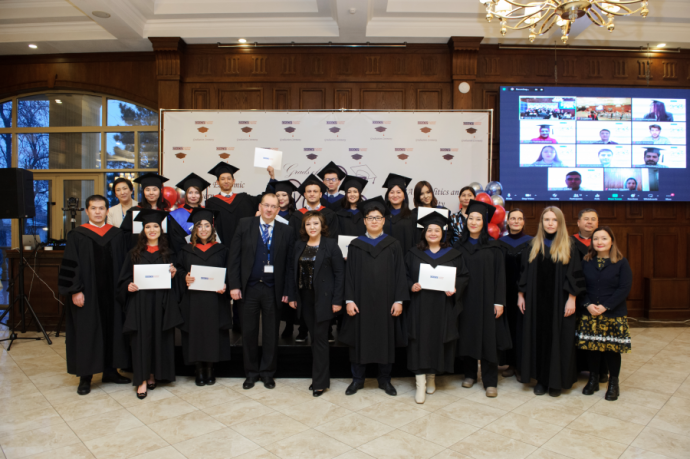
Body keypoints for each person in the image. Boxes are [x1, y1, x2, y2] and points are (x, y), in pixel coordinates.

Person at [58, 195, 131, 395]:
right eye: (93, 208)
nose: (98, 212)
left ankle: (111, 371)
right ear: (87, 211)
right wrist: (75, 290)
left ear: (107, 211)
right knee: (87, 332)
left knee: (113, 330)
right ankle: (85, 376)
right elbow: (70, 264)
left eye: (101, 208)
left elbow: (124, 264)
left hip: (113, 294)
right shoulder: (77, 235)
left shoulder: (116, 235)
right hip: (87, 293)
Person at [340, 196, 409, 397]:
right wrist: (349, 300)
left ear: (384, 220)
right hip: (360, 302)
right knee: (359, 339)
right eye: (370, 218)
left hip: (386, 302)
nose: (374, 221)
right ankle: (357, 379)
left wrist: (398, 300)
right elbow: (348, 275)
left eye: (378, 218)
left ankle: (385, 380)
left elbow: (400, 273)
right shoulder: (355, 245)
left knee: (385, 340)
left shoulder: (393, 244)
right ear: (364, 221)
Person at [228, 193, 295, 390]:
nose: (269, 209)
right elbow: (234, 257)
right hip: (248, 288)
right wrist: (234, 285)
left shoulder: (286, 230)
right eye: (266, 205)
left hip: (273, 289)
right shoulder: (244, 224)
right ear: (260, 206)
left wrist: (287, 290)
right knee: (248, 332)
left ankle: (267, 372)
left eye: (273, 206)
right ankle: (250, 373)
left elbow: (290, 264)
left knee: (271, 333)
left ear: (278, 210)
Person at [517, 206, 585, 397]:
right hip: (536, 302)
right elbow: (524, 272)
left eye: (554, 220)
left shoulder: (569, 245)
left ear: (560, 222)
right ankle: (541, 379)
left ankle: (556, 382)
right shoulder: (533, 245)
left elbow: (575, 274)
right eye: (546, 219)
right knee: (538, 338)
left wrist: (572, 298)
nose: (550, 223)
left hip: (560, 302)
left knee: (559, 339)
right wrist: (521, 295)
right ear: (541, 222)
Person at [118, 209, 182, 399]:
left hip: (162, 302)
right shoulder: (134, 253)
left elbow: (178, 281)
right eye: (148, 227)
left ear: (161, 229)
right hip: (141, 303)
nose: (152, 230)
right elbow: (123, 279)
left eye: (155, 226)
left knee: (159, 338)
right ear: (143, 230)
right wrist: (128, 285)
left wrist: (174, 274)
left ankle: (154, 374)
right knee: (141, 340)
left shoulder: (169, 254)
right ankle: (142, 380)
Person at [406, 212, 469, 404]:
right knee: (419, 340)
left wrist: (454, 288)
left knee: (436, 339)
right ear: (424, 233)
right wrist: (411, 285)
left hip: (442, 305)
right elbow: (403, 274)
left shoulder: (454, 254)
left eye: (437, 230)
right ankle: (420, 384)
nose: (433, 233)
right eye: (429, 230)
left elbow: (463, 276)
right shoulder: (413, 253)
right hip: (419, 305)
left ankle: (432, 376)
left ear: (443, 234)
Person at [454, 200, 509, 398]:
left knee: (488, 339)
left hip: (487, 299)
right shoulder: (459, 247)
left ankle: (490, 380)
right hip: (466, 299)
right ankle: (469, 374)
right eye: (471, 218)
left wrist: (499, 301)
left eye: (478, 219)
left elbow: (500, 276)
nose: (474, 222)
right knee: (467, 335)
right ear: (466, 221)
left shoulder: (494, 247)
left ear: (484, 222)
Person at [288, 211, 345, 396]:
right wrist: (292, 296)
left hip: (324, 299)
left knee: (320, 340)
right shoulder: (299, 245)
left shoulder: (331, 245)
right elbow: (292, 272)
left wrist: (337, 300)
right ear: (304, 227)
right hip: (305, 298)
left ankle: (320, 382)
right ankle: (319, 377)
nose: (312, 227)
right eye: (308, 224)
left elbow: (340, 274)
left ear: (322, 226)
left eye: (315, 223)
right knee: (314, 338)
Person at [205, 162, 266, 332]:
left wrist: (272, 178)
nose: (226, 181)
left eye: (228, 178)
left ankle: (240, 323)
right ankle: (223, 323)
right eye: (222, 178)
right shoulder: (211, 203)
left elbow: (264, 198)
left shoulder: (245, 199)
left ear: (233, 181)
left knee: (241, 285)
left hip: (244, 250)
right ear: (217, 182)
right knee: (221, 286)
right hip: (221, 249)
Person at [576, 227, 632, 401]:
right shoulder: (586, 261)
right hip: (590, 312)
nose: (599, 242)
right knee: (592, 348)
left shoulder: (621, 262)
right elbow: (579, 285)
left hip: (613, 314)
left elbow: (624, 288)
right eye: (596, 239)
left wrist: (606, 306)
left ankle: (613, 383)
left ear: (612, 241)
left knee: (612, 350)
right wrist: (588, 304)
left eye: (604, 238)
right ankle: (593, 380)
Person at [177, 208, 231, 386]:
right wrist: (184, 277)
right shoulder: (186, 250)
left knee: (212, 333)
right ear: (194, 229)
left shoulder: (222, 249)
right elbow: (179, 270)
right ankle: (199, 369)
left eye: (207, 225)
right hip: (194, 300)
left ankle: (210, 368)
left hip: (215, 300)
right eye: (199, 226)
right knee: (196, 333)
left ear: (212, 228)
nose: (203, 229)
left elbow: (229, 272)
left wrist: (225, 285)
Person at [570, 208, 609, 382]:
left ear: (597, 223)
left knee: (599, 332)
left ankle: (600, 370)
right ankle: (577, 367)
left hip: (598, 294)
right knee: (577, 331)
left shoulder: (604, 243)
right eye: (586, 219)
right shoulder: (570, 242)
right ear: (578, 222)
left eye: (593, 219)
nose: (590, 222)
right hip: (576, 293)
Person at [496, 209, 533, 380]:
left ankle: (521, 365)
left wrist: (523, 291)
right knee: (508, 326)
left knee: (522, 328)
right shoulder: (500, 243)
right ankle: (510, 363)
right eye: (513, 218)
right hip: (505, 292)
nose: (516, 221)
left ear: (523, 222)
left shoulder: (532, 243)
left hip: (525, 293)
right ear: (508, 222)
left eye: (519, 218)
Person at [120, 173, 170, 249]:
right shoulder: (133, 212)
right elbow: (124, 235)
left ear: (160, 191)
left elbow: (172, 237)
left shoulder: (167, 212)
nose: (151, 193)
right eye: (147, 190)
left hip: (162, 252)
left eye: (154, 189)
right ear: (143, 191)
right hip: (138, 252)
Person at [288, 173, 340, 242]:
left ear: (320, 194)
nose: (312, 194)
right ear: (305, 195)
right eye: (309, 191)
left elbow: (333, 238)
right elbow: (292, 239)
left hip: (325, 248)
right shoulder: (296, 216)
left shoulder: (330, 214)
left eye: (315, 191)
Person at [168, 173, 211, 253]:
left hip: (206, 253)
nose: (193, 196)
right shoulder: (176, 215)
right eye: (190, 193)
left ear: (200, 194)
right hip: (185, 254)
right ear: (186, 194)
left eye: (197, 192)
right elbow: (176, 240)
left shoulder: (207, 212)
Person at [382, 173, 416, 253]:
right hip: (385, 257)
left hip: (406, 257)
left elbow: (415, 241)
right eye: (392, 192)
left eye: (398, 192)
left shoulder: (412, 216)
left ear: (404, 196)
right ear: (388, 196)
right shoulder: (382, 216)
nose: (395, 195)